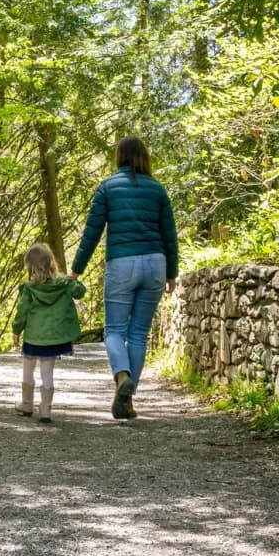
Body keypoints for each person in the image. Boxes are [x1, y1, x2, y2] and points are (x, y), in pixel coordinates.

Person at [70, 136, 178, 420]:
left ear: (119, 157)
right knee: (138, 334)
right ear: (145, 157)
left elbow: (91, 233)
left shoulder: (107, 188)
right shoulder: (157, 190)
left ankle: (121, 379)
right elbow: (170, 235)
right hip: (155, 263)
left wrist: (76, 269)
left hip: (122, 264)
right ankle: (127, 402)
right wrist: (172, 274)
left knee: (114, 331)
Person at [12, 242, 86, 425]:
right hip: (53, 339)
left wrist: (16, 330)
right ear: (51, 263)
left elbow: (22, 311)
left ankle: (27, 404)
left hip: (33, 338)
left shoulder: (29, 289)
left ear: (30, 267)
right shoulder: (64, 284)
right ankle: (45, 409)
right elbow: (80, 292)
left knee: (28, 369)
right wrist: (72, 279)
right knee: (47, 372)